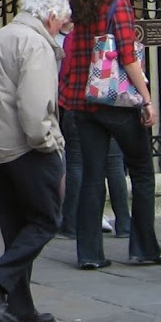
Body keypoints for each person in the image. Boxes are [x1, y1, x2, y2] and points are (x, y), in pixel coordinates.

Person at [57, 0, 161, 270]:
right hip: (116, 102)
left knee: (92, 177)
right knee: (141, 171)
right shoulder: (118, 6)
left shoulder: (80, 8)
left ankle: (90, 253)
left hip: (83, 104)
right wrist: (147, 99)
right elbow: (128, 57)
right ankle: (145, 247)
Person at [0, 0, 69, 322]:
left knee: (16, 230)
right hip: (28, 149)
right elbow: (35, 106)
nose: (62, 30)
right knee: (45, 221)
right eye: (63, 23)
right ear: (50, 17)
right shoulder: (36, 44)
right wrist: (49, 143)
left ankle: (21, 307)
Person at [59, 100, 132, 239]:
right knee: (114, 166)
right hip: (111, 106)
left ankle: (70, 224)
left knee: (75, 165)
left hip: (78, 106)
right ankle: (124, 225)